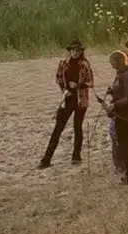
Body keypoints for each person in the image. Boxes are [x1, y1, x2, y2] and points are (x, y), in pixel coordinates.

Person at [39, 41, 94, 169]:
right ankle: (46, 159)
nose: (75, 52)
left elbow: (91, 82)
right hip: (67, 99)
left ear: (81, 52)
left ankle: (76, 156)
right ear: (70, 51)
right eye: (73, 50)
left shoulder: (85, 64)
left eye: (78, 50)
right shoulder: (63, 63)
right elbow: (58, 78)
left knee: (77, 128)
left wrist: (79, 85)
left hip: (81, 100)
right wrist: (64, 90)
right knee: (58, 128)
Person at [106, 49, 128, 184]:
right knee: (126, 144)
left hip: (126, 115)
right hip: (123, 114)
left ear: (119, 61)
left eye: (112, 63)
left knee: (125, 145)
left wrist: (115, 105)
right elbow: (123, 92)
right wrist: (113, 91)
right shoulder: (123, 74)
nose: (111, 65)